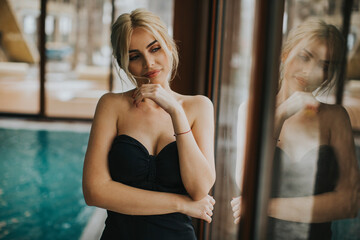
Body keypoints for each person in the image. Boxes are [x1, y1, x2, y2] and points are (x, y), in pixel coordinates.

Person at [82, 8, 216, 240]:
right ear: (123, 64)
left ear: (169, 46)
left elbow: (199, 188)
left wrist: (175, 111)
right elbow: (95, 191)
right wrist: (181, 204)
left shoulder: (198, 107)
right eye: (134, 56)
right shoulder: (111, 105)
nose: (149, 63)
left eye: (155, 49)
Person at [231, 18, 360, 239]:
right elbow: (246, 183)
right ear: (285, 54)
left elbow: (349, 203)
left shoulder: (335, 117)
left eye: (325, 65)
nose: (310, 71)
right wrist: (280, 116)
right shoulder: (252, 109)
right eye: (305, 57)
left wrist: (263, 206)